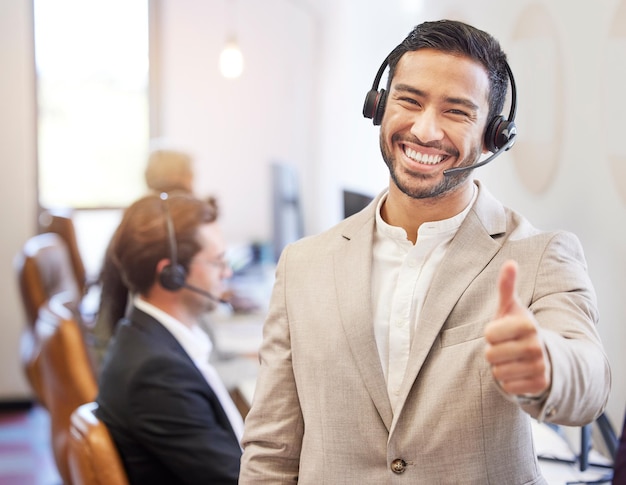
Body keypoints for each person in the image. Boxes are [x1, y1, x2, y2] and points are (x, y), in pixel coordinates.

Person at [239, 19, 611, 483]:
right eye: (409, 100)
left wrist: (547, 367)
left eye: (457, 112)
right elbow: (272, 449)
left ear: (493, 135)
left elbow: (591, 381)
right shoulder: (303, 265)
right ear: (378, 105)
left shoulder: (539, 255)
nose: (425, 130)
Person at [96, 192, 243, 484]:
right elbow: (240, 480)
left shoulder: (149, 339)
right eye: (218, 262)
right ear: (171, 275)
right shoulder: (157, 374)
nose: (227, 273)